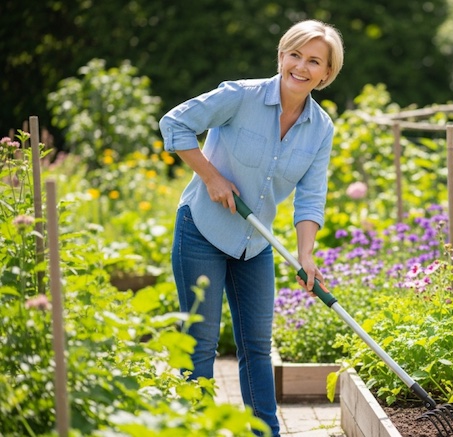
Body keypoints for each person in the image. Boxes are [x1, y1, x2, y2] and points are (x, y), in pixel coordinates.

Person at [158, 19, 344, 436]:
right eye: (294, 54)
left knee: (257, 346)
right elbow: (174, 123)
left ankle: (266, 432)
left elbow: (311, 197)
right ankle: (198, 430)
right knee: (200, 344)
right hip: (201, 230)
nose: (301, 66)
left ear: (326, 74)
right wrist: (210, 177)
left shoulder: (321, 129)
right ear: (281, 56)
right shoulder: (239, 96)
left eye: (314, 61)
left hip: (254, 244)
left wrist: (306, 254)